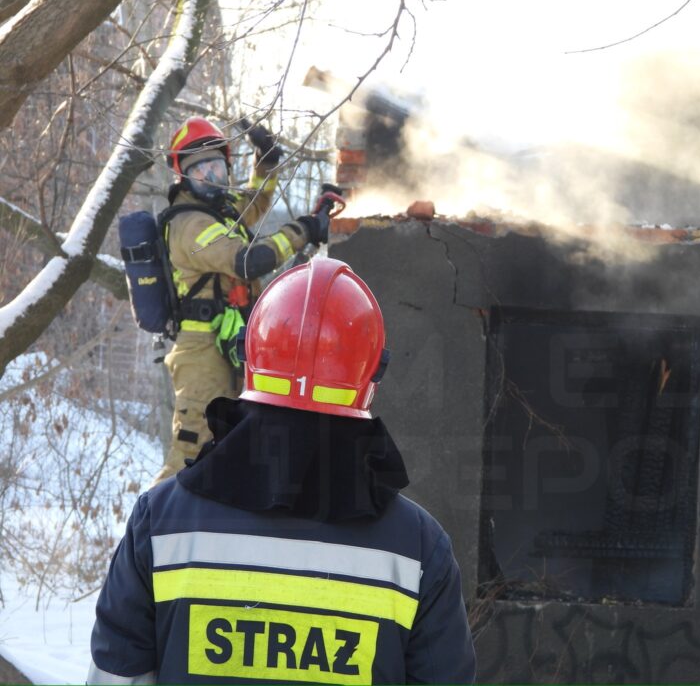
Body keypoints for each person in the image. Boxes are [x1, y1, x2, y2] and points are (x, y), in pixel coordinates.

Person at [87, 257, 476, 684]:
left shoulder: (160, 525)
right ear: (368, 380)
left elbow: (115, 678)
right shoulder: (419, 549)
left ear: (252, 360)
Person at [152, 116, 334, 486]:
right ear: (184, 176)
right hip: (201, 356)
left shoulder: (218, 211)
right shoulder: (191, 225)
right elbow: (249, 261)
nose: (213, 178)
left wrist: (265, 160)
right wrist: (306, 229)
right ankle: (150, 536)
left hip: (228, 347)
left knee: (233, 452)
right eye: (202, 171)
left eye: (218, 168)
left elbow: (257, 198)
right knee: (191, 455)